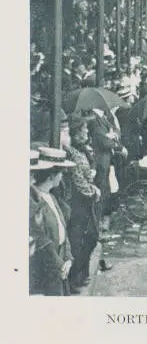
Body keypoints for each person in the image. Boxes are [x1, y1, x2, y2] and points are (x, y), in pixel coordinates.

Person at [60, 115, 102, 292]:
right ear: (76, 133)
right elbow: (79, 181)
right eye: (83, 129)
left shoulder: (83, 149)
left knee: (91, 237)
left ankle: (81, 273)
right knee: (78, 240)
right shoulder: (73, 152)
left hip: (86, 201)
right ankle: (75, 278)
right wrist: (94, 191)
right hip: (78, 202)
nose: (86, 131)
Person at [29, 148, 75, 296]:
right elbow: (41, 239)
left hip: (60, 259)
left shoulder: (51, 197)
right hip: (48, 265)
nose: (61, 177)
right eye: (60, 173)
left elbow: (62, 229)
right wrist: (60, 265)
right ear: (51, 176)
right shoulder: (34, 202)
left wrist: (68, 257)